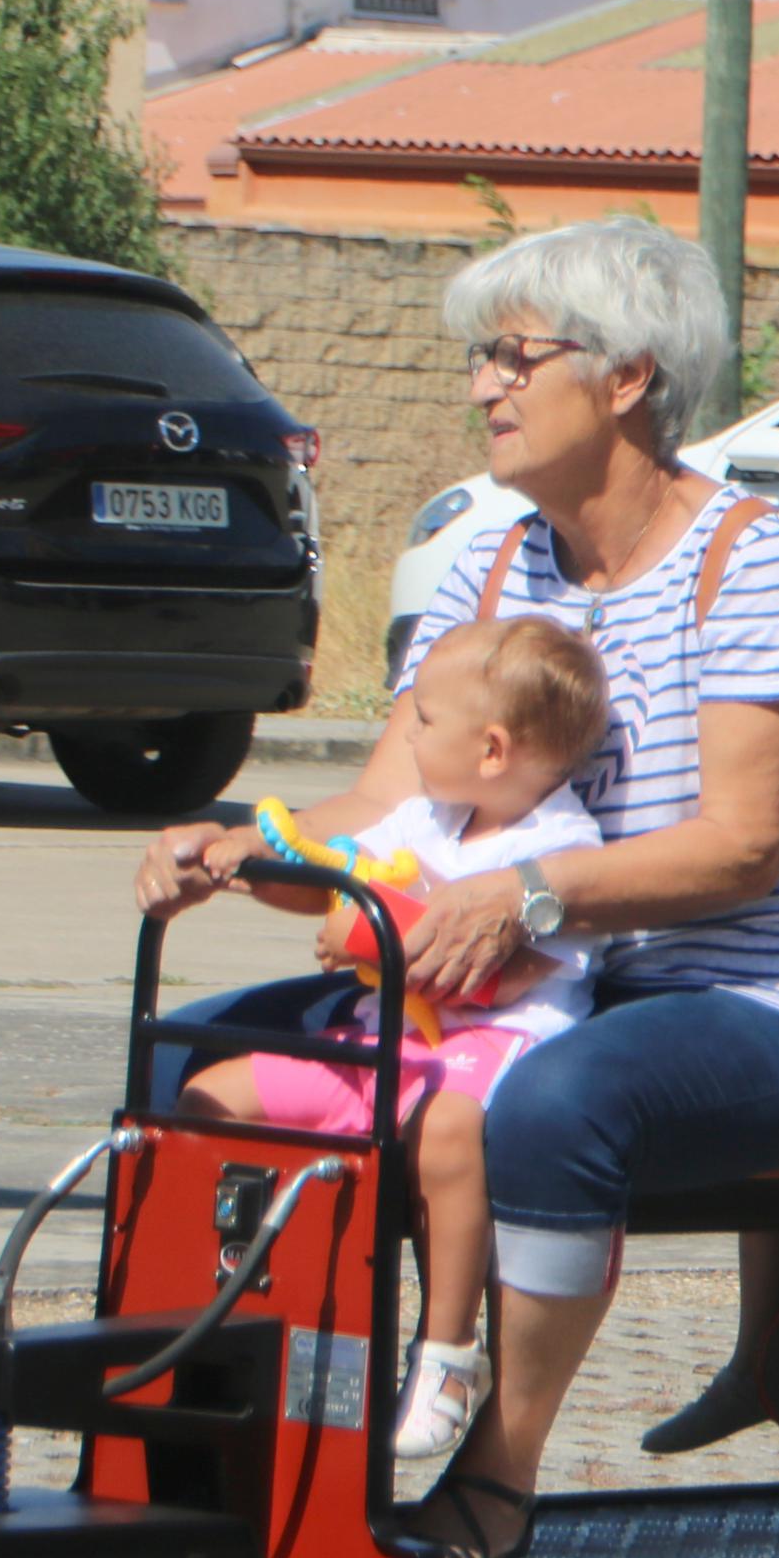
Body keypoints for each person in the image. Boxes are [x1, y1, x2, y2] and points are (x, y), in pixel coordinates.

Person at [135, 217, 779, 1558]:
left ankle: (501, 1460)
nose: (483, 382)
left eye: (512, 354)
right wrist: (243, 843)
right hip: (524, 982)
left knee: (549, 1108)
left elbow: (737, 849)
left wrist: (528, 894)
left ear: (625, 378)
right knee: (192, 1054)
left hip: (756, 1000)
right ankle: (229, 1438)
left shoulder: (751, 559)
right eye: (481, 355)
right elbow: (384, 814)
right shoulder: (491, 565)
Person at [176, 615, 610, 1458]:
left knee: (447, 1128)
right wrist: (251, 860)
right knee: (213, 1093)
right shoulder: (426, 819)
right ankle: (208, 1300)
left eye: (421, 720)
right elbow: (338, 868)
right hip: (385, 1039)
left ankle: (446, 1350)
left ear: (490, 749)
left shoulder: (561, 844)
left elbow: (510, 975)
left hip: (490, 1046)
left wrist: (375, 941)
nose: (405, 736)